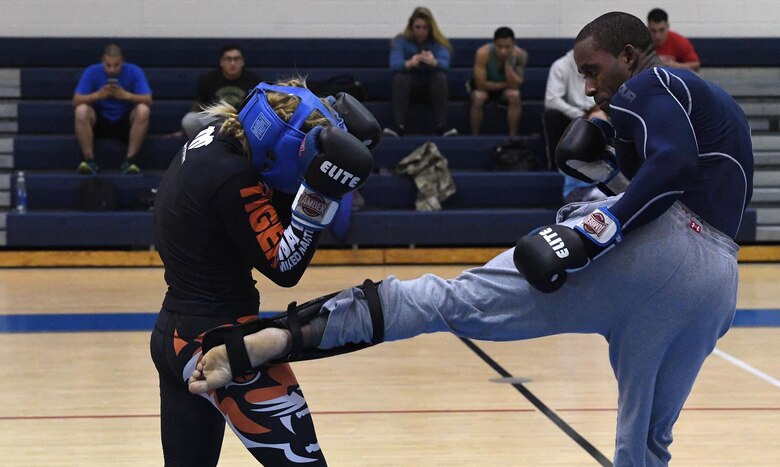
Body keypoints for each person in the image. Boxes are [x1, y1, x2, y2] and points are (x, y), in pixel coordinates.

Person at [190, 11, 753, 466]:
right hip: (715, 284)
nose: (589, 86)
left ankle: (275, 341)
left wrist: (601, 224)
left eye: (593, 69)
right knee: (645, 448)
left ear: (629, 55)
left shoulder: (649, 81)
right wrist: (610, 173)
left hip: (660, 248)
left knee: (446, 299)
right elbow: (685, 173)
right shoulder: (700, 103)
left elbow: (673, 169)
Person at [150, 77, 379, 466]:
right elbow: (285, 266)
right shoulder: (233, 177)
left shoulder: (222, 133)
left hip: (173, 333)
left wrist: (328, 127)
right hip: (219, 343)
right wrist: (321, 191)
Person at [73, 43, 152, 174]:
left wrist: (126, 95)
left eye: (116, 65)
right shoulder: (92, 71)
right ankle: (89, 160)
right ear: (103, 61)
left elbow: (148, 100)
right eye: (108, 65)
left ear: (122, 61)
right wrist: (98, 95)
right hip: (100, 120)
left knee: (144, 110)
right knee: (81, 110)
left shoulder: (134, 71)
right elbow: (76, 100)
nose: (112, 69)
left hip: (124, 120)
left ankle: (130, 160)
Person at [543, 49, 609, 203]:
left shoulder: (602, 67)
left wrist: (599, 113)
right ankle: (557, 163)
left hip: (596, 113)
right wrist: (582, 116)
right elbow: (551, 100)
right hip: (572, 117)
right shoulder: (560, 66)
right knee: (552, 115)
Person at [383, 6, 458, 137]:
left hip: (431, 88)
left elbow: (445, 64)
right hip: (409, 88)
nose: (421, 31)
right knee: (400, 78)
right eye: (418, 27)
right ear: (411, 26)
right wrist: (410, 63)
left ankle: (442, 125)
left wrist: (434, 62)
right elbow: (394, 64)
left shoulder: (438, 42)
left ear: (431, 28)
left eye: (425, 28)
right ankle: (398, 126)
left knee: (440, 77)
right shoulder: (400, 41)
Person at [180, 44, 260, 139]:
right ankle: (202, 146)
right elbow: (199, 105)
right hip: (215, 121)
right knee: (189, 120)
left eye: (236, 59)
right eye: (228, 59)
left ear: (242, 62)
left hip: (241, 122)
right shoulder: (208, 79)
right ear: (221, 62)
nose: (232, 63)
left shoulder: (254, 80)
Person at [469, 27, 528, 137]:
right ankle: (474, 136)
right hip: (486, 88)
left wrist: (508, 64)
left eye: (507, 47)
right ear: (494, 44)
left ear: (514, 44)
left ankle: (512, 136)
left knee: (515, 95)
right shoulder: (483, 53)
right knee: (479, 97)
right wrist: (506, 84)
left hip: (502, 90)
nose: (503, 51)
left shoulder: (521, 55)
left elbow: (517, 84)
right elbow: (480, 85)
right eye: (499, 47)